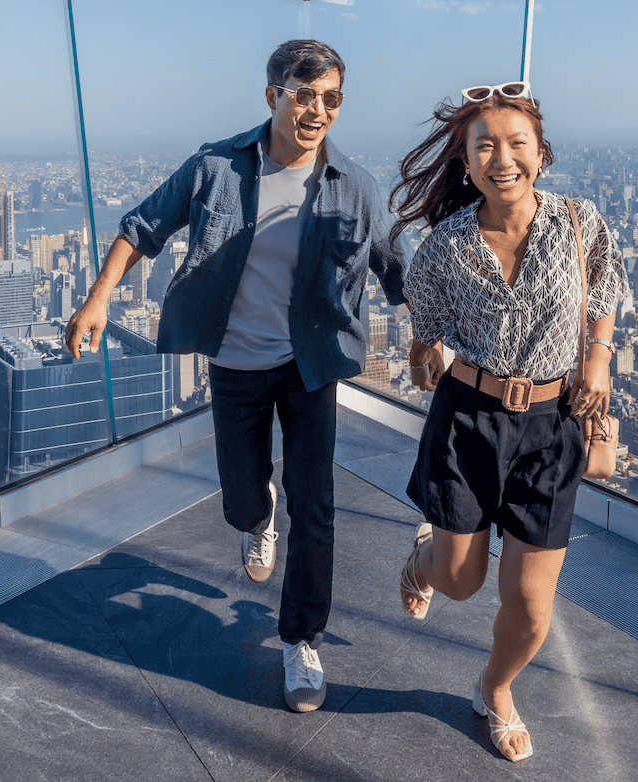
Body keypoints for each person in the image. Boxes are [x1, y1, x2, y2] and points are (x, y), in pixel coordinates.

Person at [64, 40, 406, 713]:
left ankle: (299, 638)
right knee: (243, 498)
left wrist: (442, 335)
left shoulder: (356, 188)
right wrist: (99, 296)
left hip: (310, 367)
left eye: (330, 98)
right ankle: (256, 517)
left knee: (318, 504)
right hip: (235, 364)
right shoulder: (215, 167)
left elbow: (402, 269)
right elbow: (143, 226)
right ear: (273, 95)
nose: (316, 110)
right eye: (302, 94)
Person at [390, 82, 629, 761]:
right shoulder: (445, 245)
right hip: (468, 419)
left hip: (552, 426)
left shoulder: (578, 223)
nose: (502, 158)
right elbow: (426, 324)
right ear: (465, 163)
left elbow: (606, 289)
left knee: (528, 604)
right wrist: (423, 347)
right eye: (484, 147)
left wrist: (599, 363)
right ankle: (424, 559)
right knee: (461, 583)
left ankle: (495, 688)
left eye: (516, 144)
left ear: (541, 154)